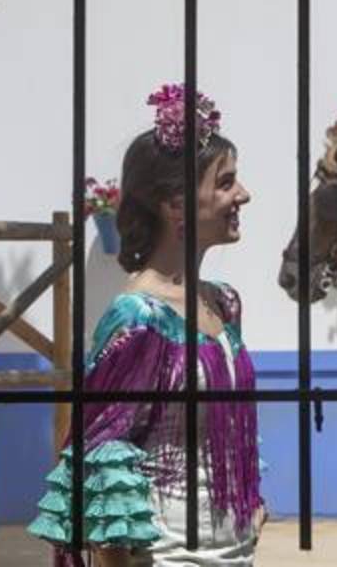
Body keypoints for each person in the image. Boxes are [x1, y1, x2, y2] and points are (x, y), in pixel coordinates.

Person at [28, 83, 264, 566]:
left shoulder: (223, 302)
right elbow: (103, 453)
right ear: (172, 203)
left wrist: (251, 505)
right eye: (225, 183)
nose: (244, 194)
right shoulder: (139, 317)